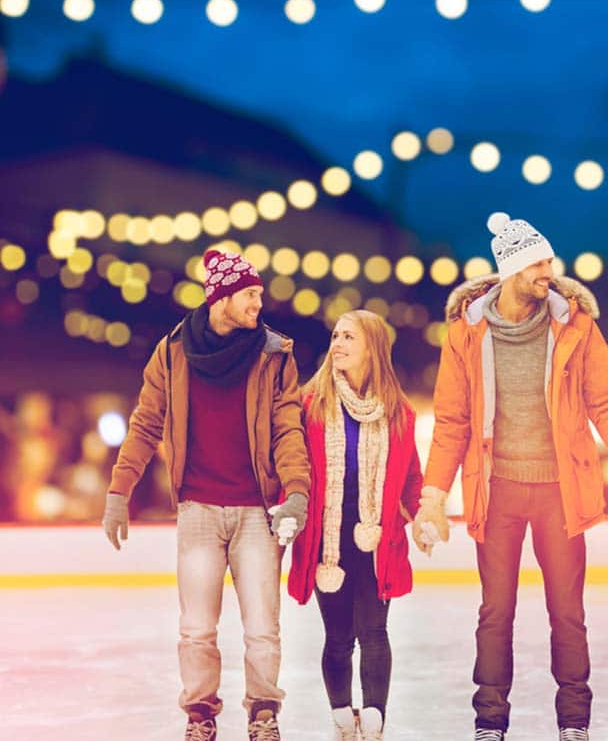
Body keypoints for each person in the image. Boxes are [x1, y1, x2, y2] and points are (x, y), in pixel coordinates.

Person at [422, 212, 608, 741]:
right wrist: (434, 495)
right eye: (537, 262)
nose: (548, 270)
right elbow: (452, 421)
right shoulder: (466, 335)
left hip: (560, 490)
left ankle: (574, 722)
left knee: (568, 611)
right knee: (495, 610)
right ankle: (490, 721)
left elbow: (607, 401)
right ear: (510, 269)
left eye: (549, 260)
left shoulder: (576, 326)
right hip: (497, 489)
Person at [101, 248, 310, 741]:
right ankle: (200, 715)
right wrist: (119, 490)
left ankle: (263, 713)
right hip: (197, 509)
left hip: (257, 511)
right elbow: (146, 423)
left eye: (260, 294)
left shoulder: (274, 353)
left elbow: (288, 428)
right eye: (251, 294)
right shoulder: (172, 352)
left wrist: (296, 489)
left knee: (263, 626)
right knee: (196, 627)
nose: (260, 303)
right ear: (222, 296)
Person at [286, 310, 431, 741]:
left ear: (372, 346)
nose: (338, 344)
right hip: (325, 540)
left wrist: (422, 517)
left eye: (349, 336)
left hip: (377, 539)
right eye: (335, 336)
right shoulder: (309, 405)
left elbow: (411, 478)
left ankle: (373, 719)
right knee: (337, 637)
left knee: (373, 631)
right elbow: (290, 466)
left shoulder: (398, 412)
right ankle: (340, 718)